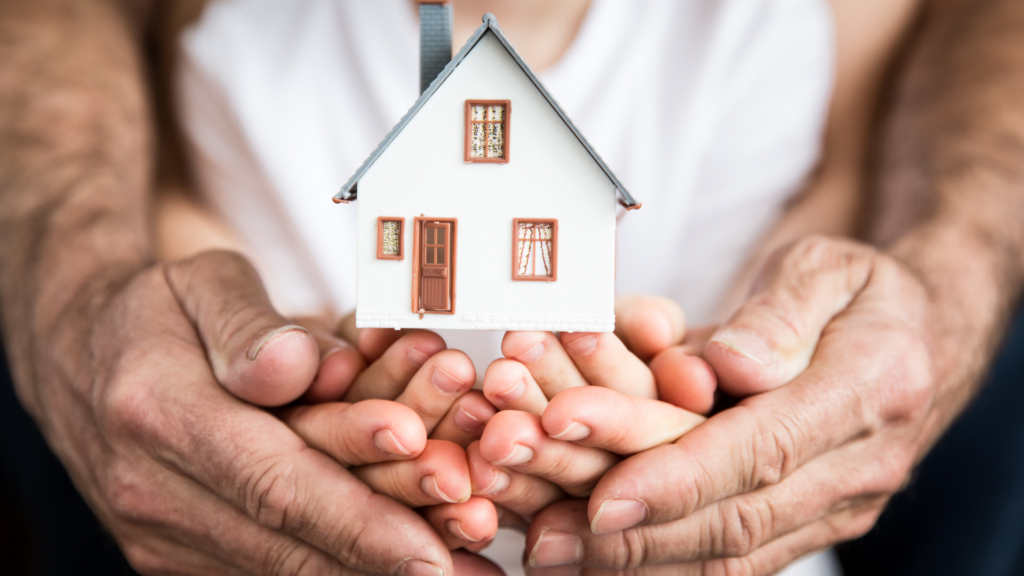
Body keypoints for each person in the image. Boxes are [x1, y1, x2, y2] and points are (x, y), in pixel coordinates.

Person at [0, 2, 1022, 576]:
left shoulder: (790, 33)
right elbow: (205, 260)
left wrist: (698, 396)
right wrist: (314, 393)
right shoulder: (230, 45)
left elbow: (808, 261)